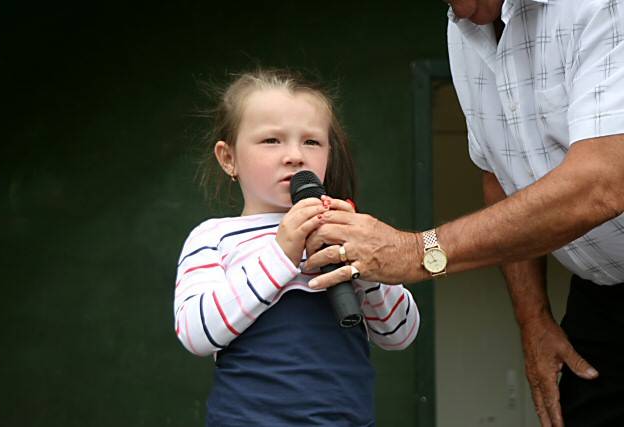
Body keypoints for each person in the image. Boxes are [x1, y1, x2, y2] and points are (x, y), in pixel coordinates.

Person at [304, 1, 624, 426]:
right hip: (602, 295)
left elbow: (604, 182)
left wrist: (419, 251)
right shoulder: (463, 30)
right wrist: (533, 318)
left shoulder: (598, 6)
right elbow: (500, 174)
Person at [173, 69, 420, 426]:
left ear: (329, 155)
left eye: (312, 142)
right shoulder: (214, 237)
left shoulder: (349, 230)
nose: (294, 156)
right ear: (228, 159)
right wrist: (281, 255)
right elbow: (196, 333)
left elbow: (400, 335)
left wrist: (365, 272)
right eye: (271, 140)